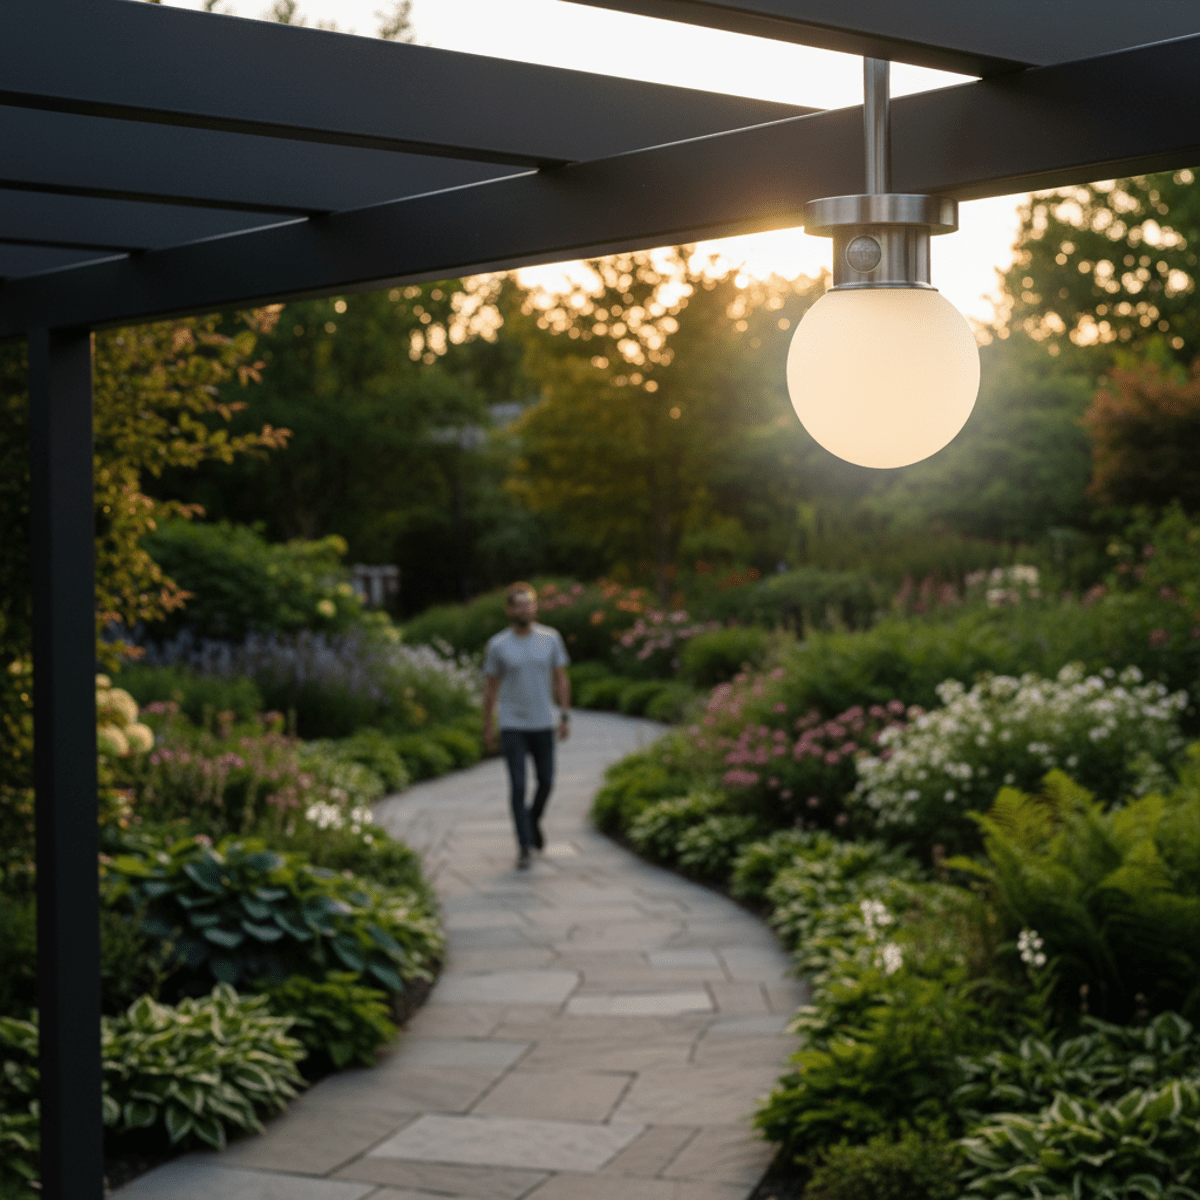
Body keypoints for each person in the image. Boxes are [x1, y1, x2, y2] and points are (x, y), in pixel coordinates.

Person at [482, 582, 571, 870]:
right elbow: (490, 689)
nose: (526, 609)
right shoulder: (498, 645)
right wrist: (488, 726)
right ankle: (523, 846)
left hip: (543, 721)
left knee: (546, 781)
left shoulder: (550, 638)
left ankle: (532, 821)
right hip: (512, 724)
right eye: (520, 604)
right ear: (509, 609)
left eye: (530, 604)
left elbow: (560, 678)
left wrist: (565, 715)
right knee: (519, 785)